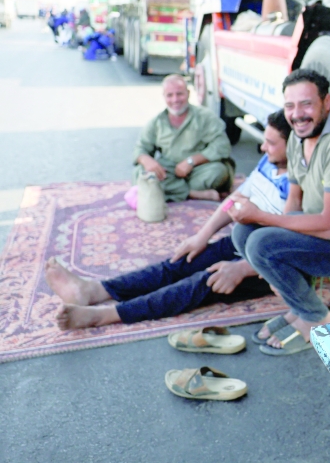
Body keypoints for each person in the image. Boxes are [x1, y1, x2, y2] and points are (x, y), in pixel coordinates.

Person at [45, 111, 292, 329]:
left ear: (292, 146)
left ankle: (106, 315)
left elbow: (291, 244)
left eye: (270, 143)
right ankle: (94, 291)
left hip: (267, 265)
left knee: (200, 283)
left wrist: (240, 269)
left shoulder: (300, 186)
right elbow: (235, 199)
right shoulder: (269, 162)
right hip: (243, 242)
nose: (262, 148)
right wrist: (201, 237)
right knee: (180, 262)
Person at [229, 68, 330, 355]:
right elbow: (293, 203)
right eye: (290, 106)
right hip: (323, 231)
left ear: (326, 103)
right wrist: (265, 230)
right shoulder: (297, 137)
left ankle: (318, 319)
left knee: (260, 242)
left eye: (307, 104)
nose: (297, 114)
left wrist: (262, 218)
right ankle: (300, 307)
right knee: (245, 233)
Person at [133, 74, 234, 202]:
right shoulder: (156, 122)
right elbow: (141, 147)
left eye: (179, 94)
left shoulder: (205, 116)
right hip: (168, 171)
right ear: (164, 97)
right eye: (170, 95)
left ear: (188, 93)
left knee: (219, 171)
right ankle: (193, 194)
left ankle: (170, 192)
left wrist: (191, 161)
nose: (175, 100)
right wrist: (147, 160)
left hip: (198, 170)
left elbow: (222, 145)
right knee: (139, 173)